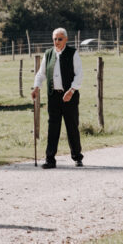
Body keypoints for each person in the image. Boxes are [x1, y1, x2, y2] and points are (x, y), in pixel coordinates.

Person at [31, 28, 83, 169]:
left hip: (69, 96)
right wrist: (36, 87)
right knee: (52, 127)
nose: (57, 42)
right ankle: (50, 159)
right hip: (53, 96)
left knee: (71, 126)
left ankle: (77, 157)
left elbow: (79, 74)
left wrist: (71, 90)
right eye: (54, 39)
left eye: (60, 39)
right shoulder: (48, 54)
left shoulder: (73, 53)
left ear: (66, 39)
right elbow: (41, 74)